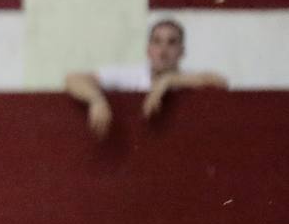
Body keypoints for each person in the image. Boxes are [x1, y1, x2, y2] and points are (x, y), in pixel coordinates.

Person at [65, 19, 229, 138]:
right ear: (148, 49)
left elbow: (220, 82)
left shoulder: (188, 78)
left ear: (182, 51)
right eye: (157, 42)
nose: (163, 50)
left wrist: (168, 81)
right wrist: (96, 100)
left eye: (171, 43)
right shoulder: (131, 75)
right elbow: (73, 78)